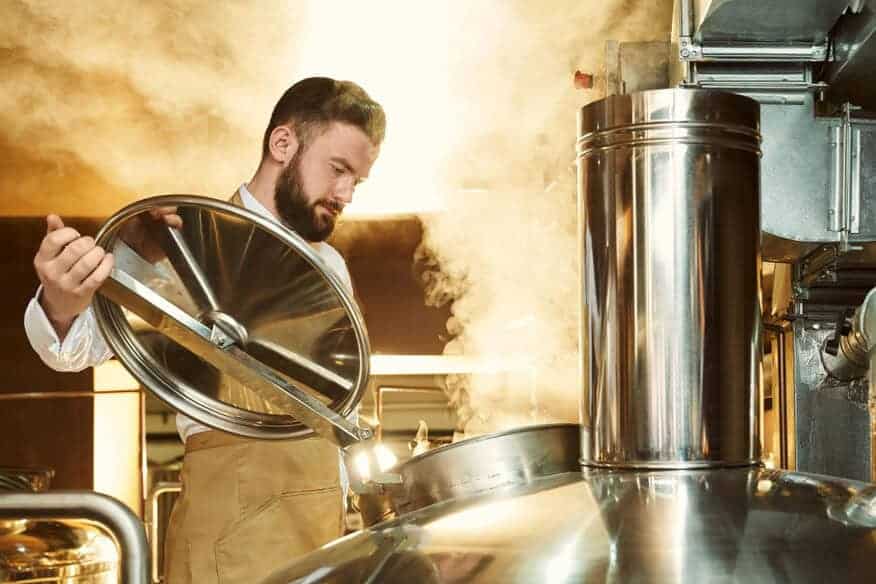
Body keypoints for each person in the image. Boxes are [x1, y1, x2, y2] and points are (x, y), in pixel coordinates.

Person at [23, 77, 386, 583]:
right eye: (338, 170)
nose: (346, 193)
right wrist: (63, 298)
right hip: (236, 521)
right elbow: (73, 347)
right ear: (283, 144)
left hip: (322, 518)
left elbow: (334, 403)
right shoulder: (184, 237)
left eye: (357, 181)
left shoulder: (330, 265)